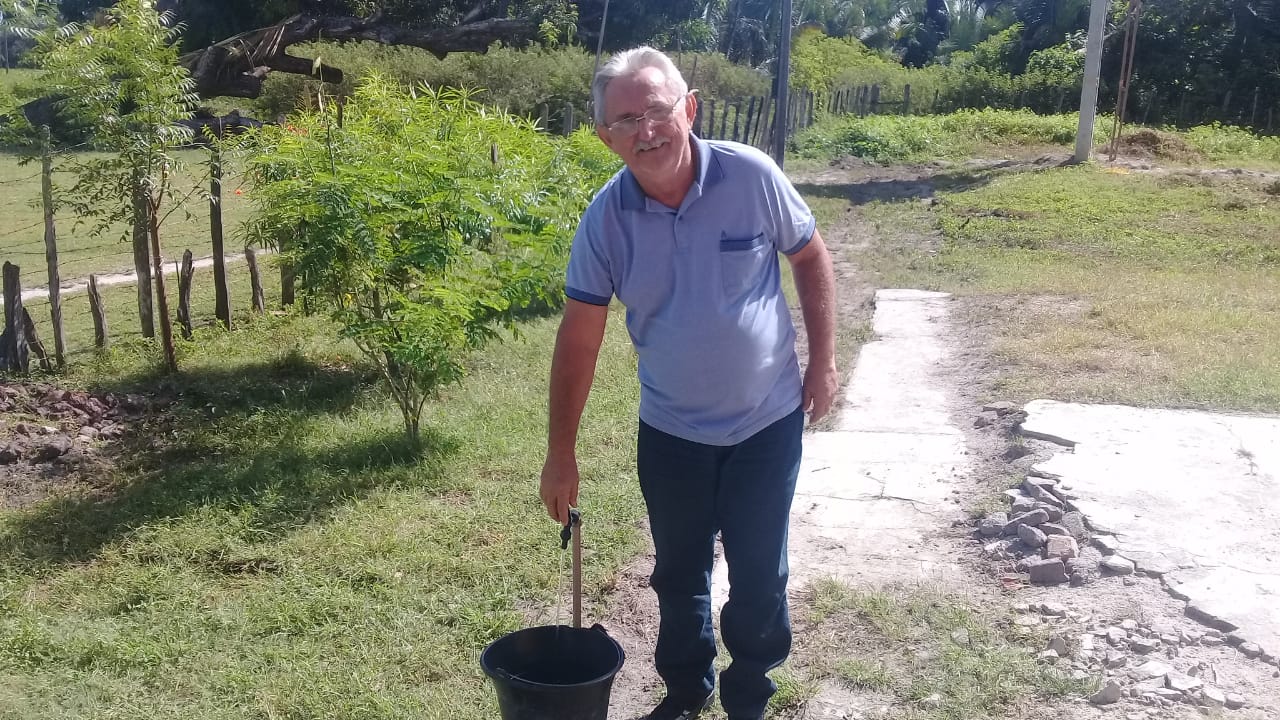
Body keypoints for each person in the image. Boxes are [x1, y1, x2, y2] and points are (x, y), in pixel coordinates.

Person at [539, 46, 838, 720]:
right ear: (603, 137)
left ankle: (751, 693)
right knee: (679, 575)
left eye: (657, 110)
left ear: (689, 108)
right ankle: (685, 687)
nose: (645, 130)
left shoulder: (750, 176)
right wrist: (561, 451)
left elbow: (810, 256)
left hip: (767, 422)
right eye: (624, 120)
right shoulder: (604, 221)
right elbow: (580, 339)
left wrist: (823, 361)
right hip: (672, 431)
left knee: (760, 575)